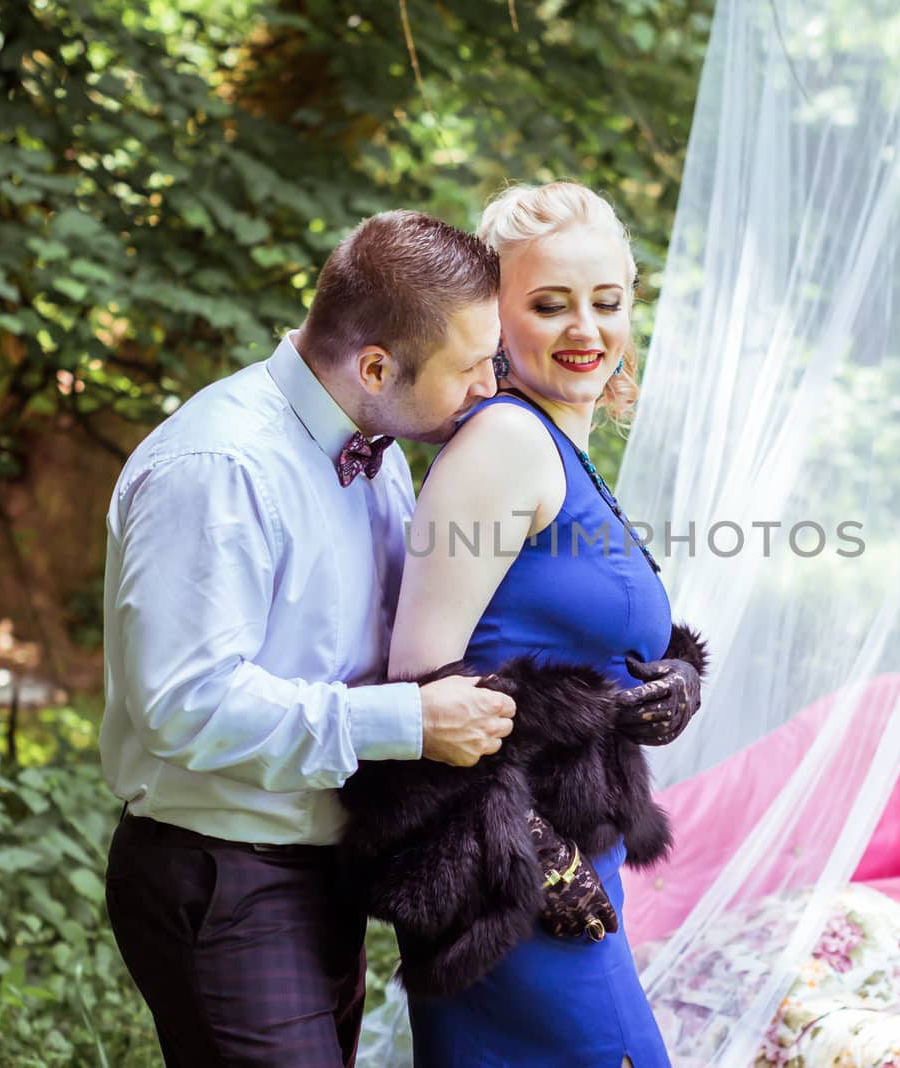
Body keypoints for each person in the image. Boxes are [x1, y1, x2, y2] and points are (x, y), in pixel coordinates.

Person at [99, 210, 518, 1068]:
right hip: (225, 878)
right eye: (473, 368)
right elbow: (185, 703)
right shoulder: (219, 467)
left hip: (324, 869)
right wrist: (406, 723)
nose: (490, 387)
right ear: (375, 366)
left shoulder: (379, 447)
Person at [360, 182, 707, 1067]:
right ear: (495, 323)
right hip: (508, 884)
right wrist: (537, 860)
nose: (585, 329)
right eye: (550, 305)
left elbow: (557, 640)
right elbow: (424, 685)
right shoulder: (506, 443)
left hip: (576, 859)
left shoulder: (562, 448)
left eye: (607, 301)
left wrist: (674, 677)